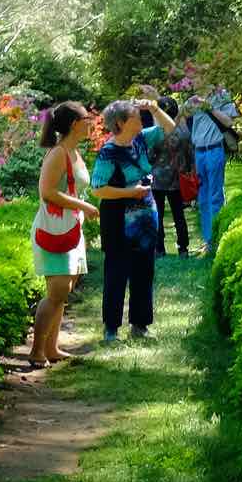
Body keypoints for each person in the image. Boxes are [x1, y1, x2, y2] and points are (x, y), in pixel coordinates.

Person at [92, 96, 177, 341]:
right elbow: (98, 189)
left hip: (145, 218)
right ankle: (111, 329)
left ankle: (140, 325)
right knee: (117, 272)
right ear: (120, 122)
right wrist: (131, 192)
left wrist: (155, 107)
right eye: (135, 116)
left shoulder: (140, 139)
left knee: (144, 270)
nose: (141, 119)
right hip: (118, 219)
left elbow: (169, 128)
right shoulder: (109, 153)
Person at [29, 101, 97, 366]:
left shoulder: (74, 152)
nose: (91, 124)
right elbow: (47, 192)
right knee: (56, 291)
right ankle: (36, 351)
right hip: (54, 230)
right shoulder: (58, 153)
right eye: (86, 119)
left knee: (63, 291)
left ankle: (52, 348)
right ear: (74, 124)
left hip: (69, 228)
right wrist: (83, 206)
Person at [188, 88, 240, 256]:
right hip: (199, 152)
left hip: (215, 150)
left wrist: (209, 107)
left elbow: (229, 122)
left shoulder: (223, 95)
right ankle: (207, 240)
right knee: (202, 198)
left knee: (215, 196)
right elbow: (184, 123)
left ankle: (217, 240)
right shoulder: (193, 98)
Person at [149, 94, 195, 258]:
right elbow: (190, 154)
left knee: (158, 215)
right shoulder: (183, 132)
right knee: (179, 215)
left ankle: (159, 249)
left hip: (157, 179)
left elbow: (149, 156)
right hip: (178, 179)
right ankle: (183, 249)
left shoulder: (156, 134)